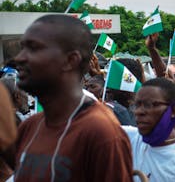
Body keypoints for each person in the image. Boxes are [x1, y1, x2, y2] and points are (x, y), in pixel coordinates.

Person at [10, 14, 133, 181]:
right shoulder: (30, 127)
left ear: (70, 60)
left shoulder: (102, 133)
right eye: (22, 48)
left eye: (34, 48)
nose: (19, 58)